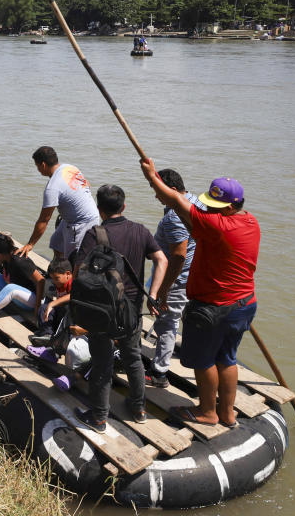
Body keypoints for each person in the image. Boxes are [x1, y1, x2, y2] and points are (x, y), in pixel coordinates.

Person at [140, 159, 260, 428]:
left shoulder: (216, 226)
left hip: (213, 308)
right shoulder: (251, 222)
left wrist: (151, 176)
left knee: (204, 360)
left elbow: (174, 200)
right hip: (244, 303)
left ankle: (208, 411)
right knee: (227, 359)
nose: (211, 210)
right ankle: (228, 414)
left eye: (217, 207)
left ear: (230, 207)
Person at [72, 184, 166, 432]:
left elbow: (77, 273)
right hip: (132, 311)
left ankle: (99, 418)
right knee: (133, 357)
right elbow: (162, 259)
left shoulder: (95, 234)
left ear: (99, 208)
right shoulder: (140, 231)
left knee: (102, 362)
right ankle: (138, 408)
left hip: (102, 311)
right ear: (124, 206)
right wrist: (153, 295)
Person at [146, 168, 201, 387]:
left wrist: (163, 290)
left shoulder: (173, 217)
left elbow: (178, 255)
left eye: (158, 191)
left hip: (178, 280)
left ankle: (159, 373)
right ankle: (183, 352)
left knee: (166, 323)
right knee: (182, 319)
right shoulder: (195, 202)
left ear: (173, 190)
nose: (156, 196)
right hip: (195, 275)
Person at [17, 146, 99, 261]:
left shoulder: (53, 187)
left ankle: (69, 274)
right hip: (72, 218)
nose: (38, 170)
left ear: (43, 165)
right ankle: (57, 268)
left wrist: (30, 244)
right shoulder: (70, 168)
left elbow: (44, 220)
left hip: (82, 222)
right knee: (56, 242)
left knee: (74, 258)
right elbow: (87, 184)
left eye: (37, 166)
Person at [25, 258, 89, 391]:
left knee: (64, 309)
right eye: (52, 278)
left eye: (57, 278)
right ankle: (47, 337)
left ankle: (52, 349)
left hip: (76, 324)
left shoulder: (76, 284)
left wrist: (53, 303)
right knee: (44, 308)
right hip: (65, 325)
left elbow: (74, 296)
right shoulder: (58, 284)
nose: (54, 281)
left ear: (68, 274)